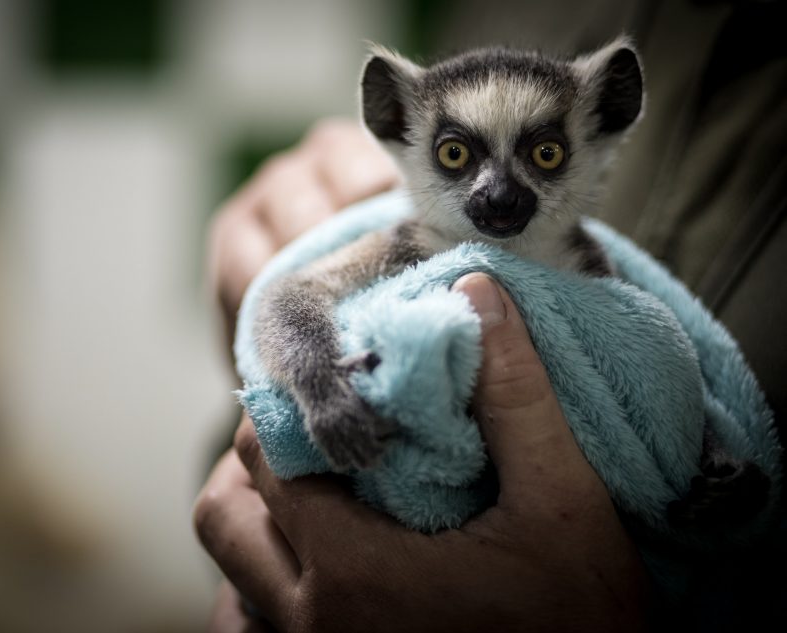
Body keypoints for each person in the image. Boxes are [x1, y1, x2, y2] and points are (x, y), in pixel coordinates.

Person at [195, 0, 787, 628]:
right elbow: (287, 300)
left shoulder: (602, 281)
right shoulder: (408, 247)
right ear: (398, 128)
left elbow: (669, 369)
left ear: (603, 126)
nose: (499, 189)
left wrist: (714, 451)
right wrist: (322, 389)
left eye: (544, 155)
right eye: (457, 156)